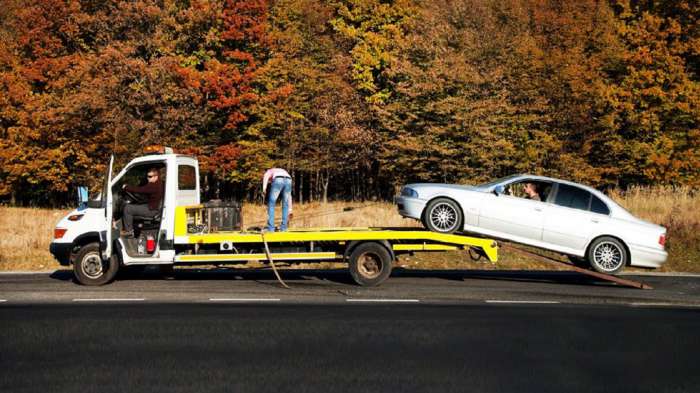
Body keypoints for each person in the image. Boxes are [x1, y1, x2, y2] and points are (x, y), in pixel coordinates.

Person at [121, 167, 164, 237]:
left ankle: (128, 231)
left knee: (127, 208)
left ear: (156, 176)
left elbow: (140, 190)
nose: (148, 178)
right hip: (152, 207)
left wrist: (126, 187)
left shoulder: (154, 185)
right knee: (135, 205)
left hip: (152, 210)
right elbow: (143, 191)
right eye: (147, 176)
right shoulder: (159, 183)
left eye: (150, 176)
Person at [262, 167, 293, 232]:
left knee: (271, 204)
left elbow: (265, 176)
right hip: (289, 179)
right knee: (285, 204)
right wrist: (290, 209)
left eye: (270, 181)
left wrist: (264, 189)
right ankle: (283, 228)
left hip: (278, 179)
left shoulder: (269, 171)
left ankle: (271, 228)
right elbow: (289, 196)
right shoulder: (283, 170)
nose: (270, 182)